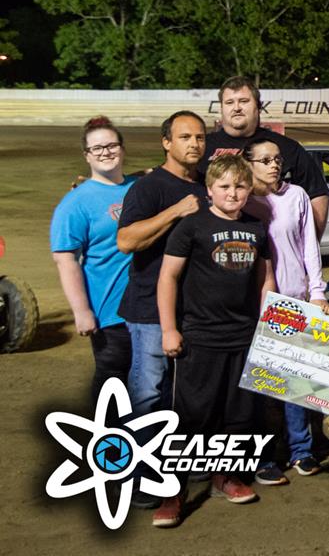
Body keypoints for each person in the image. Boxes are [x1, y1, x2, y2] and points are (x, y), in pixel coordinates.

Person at [153, 155, 275, 528]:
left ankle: (226, 477)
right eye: (224, 187)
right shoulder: (191, 227)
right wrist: (169, 329)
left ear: (249, 189)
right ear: (209, 191)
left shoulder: (257, 229)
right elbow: (168, 279)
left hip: (243, 338)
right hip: (199, 338)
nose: (233, 193)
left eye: (240, 186)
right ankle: (172, 490)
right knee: (192, 417)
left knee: (237, 417)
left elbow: (265, 281)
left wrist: (266, 325)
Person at [242, 137, 329, 483]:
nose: (273, 165)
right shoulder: (240, 199)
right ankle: (263, 456)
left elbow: (310, 247)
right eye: (264, 160)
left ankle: (301, 450)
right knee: (260, 385)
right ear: (248, 164)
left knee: (294, 380)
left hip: (293, 300)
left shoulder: (297, 197)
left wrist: (317, 291)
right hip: (253, 303)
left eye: (276, 159)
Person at [117, 111, 208, 419]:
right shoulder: (149, 187)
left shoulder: (208, 185)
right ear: (167, 143)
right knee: (147, 394)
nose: (194, 143)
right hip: (149, 310)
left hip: (195, 310)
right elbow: (126, 241)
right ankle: (136, 465)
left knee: (183, 394)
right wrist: (175, 211)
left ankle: (172, 462)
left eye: (199, 137)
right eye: (185, 137)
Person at [50, 116, 136, 403]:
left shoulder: (141, 188)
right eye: (97, 148)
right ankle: (106, 445)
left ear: (122, 149)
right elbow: (65, 259)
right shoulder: (75, 203)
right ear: (87, 155)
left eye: (111, 145)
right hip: (108, 311)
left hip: (148, 309)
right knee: (113, 385)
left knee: (148, 387)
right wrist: (81, 311)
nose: (105, 152)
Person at [200, 76, 329, 238]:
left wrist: (310, 240)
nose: (237, 108)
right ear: (221, 108)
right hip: (215, 240)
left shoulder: (286, 147)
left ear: (259, 107)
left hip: (274, 245)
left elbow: (317, 192)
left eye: (244, 101)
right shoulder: (204, 146)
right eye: (229, 103)